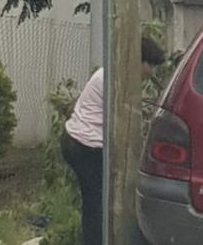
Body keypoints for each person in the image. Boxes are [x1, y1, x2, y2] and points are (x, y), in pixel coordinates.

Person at [61, 36, 166, 245]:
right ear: (139, 60)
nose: (150, 72)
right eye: (150, 65)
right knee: (97, 204)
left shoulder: (112, 73)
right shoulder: (115, 80)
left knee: (98, 202)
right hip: (85, 146)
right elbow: (125, 121)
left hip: (77, 141)